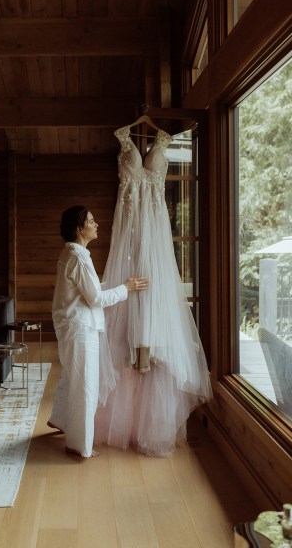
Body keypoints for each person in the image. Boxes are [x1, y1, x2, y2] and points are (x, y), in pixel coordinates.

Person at [94, 120, 212, 457]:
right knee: (131, 308)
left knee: (153, 305)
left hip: (157, 232)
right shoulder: (125, 139)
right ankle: (126, 417)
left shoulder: (160, 142)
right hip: (130, 229)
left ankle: (151, 419)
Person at [48, 205, 149, 458]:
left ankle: (60, 419)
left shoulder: (73, 253)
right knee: (85, 386)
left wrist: (119, 283)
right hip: (79, 328)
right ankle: (78, 445)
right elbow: (94, 299)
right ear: (79, 228)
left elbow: (88, 289)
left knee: (72, 377)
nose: (96, 225)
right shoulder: (78, 257)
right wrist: (126, 289)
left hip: (72, 325)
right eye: (91, 222)